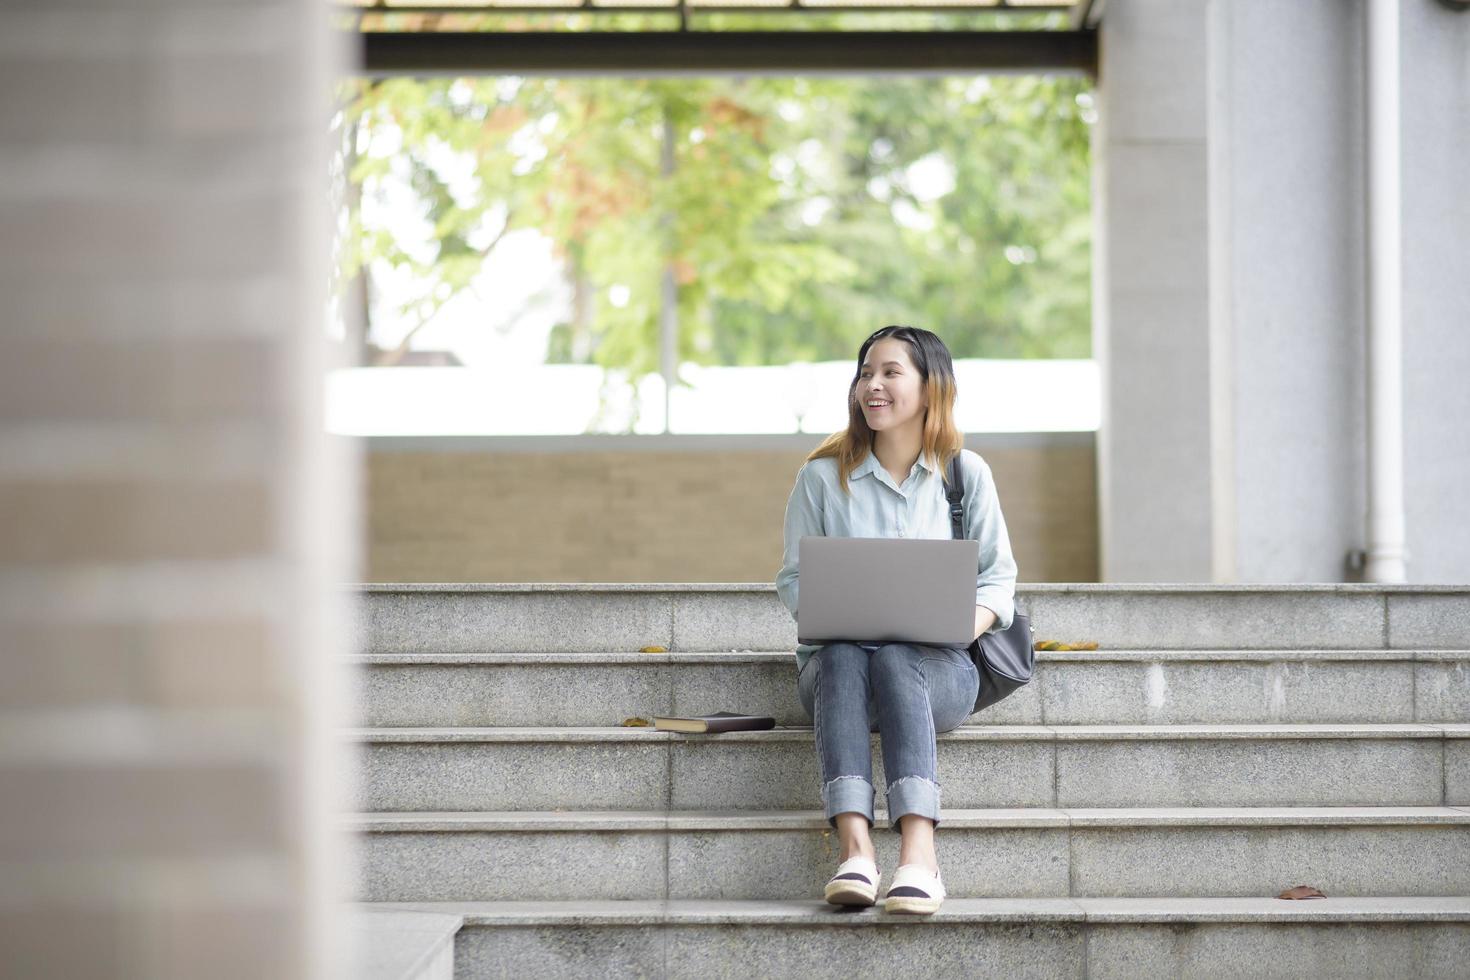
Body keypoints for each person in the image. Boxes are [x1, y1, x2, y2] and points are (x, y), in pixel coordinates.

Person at [773, 325, 1018, 915]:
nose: (872, 386)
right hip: (838, 678)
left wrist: (964, 623)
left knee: (902, 657)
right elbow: (793, 578)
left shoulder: (966, 474)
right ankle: (855, 852)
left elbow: (999, 579)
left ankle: (919, 856)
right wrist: (833, 610)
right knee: (844, 654)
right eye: (865, 374)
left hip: (939, 673)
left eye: (889, 373)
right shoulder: (820, 477)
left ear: (931, 387)